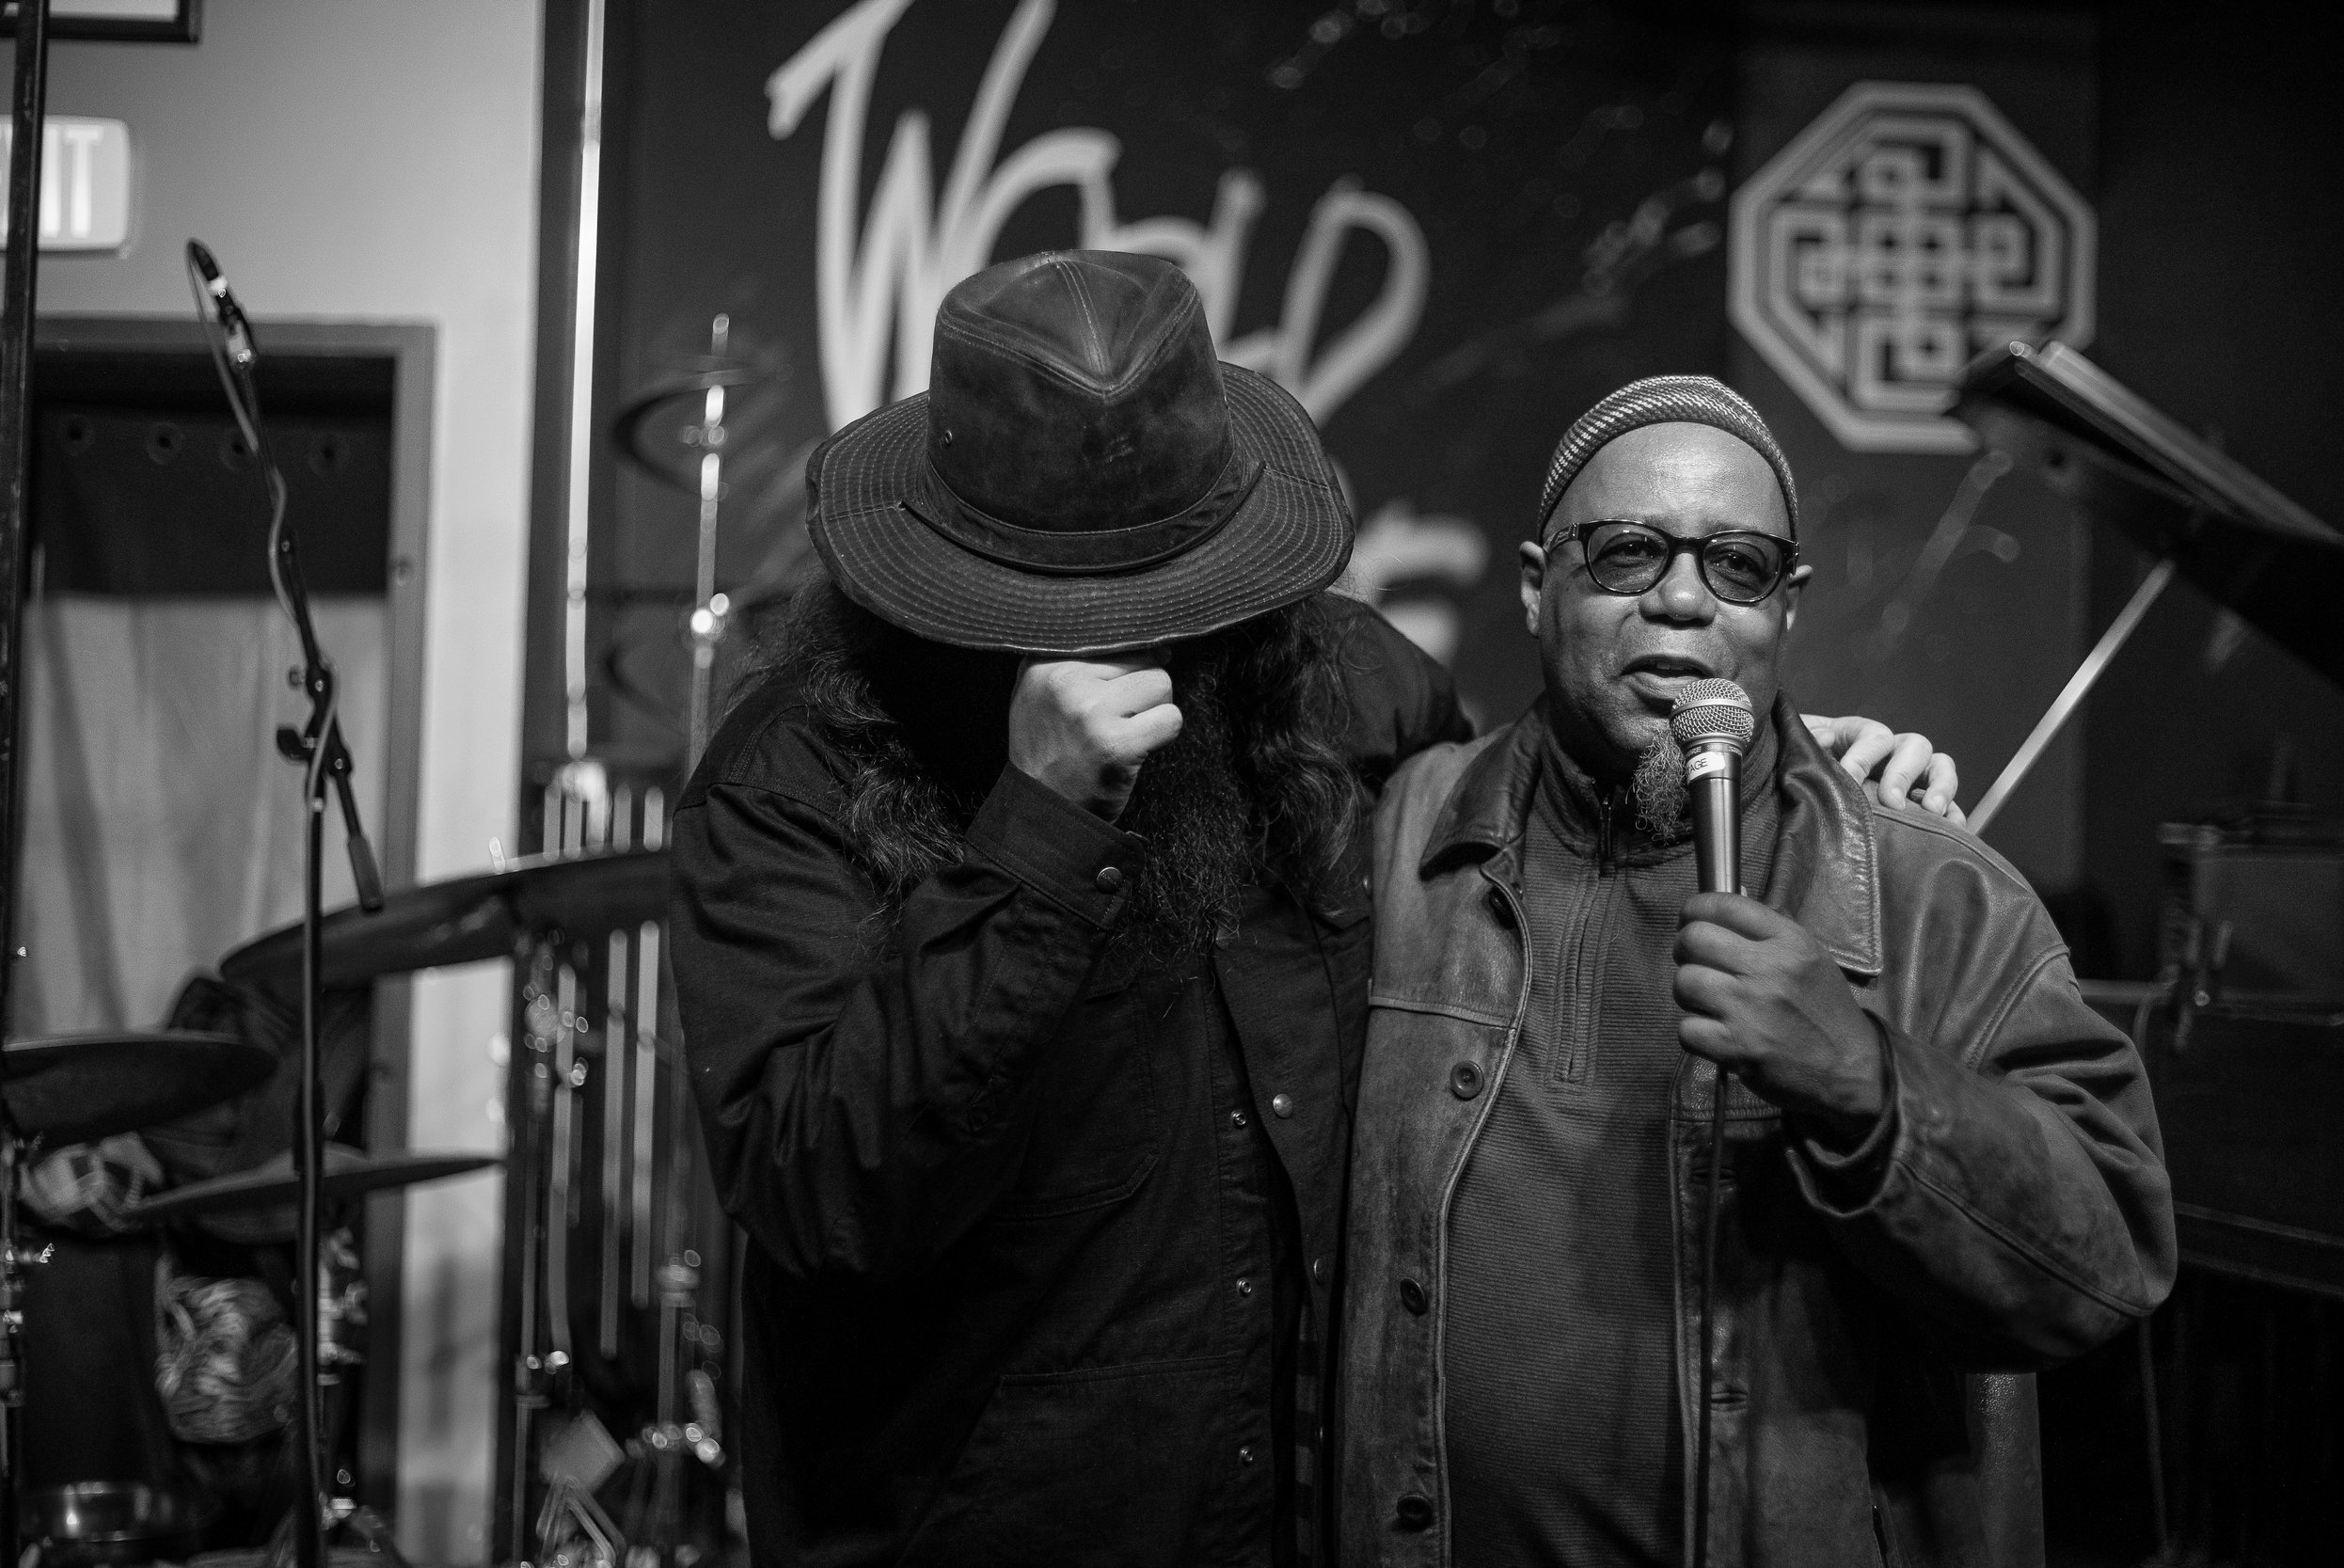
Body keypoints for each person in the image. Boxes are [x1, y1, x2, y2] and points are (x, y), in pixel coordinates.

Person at [669, 260, 1955, 1567]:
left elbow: (1551, 842)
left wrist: (1780, 769)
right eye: (1065, 593)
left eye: (1165, 583)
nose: (1126, 625)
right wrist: (1035, 831)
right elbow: (818, 1196)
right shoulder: (800, 773)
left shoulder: (1347, 687)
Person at [1336, 376, 2177, 1568]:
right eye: (1627, 551)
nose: (1683, 598)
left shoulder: (1924, 887)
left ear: (1784, 606)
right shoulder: (1404, 837)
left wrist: (1868, 1086)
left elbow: (2108, 1258)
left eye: (1736, 565)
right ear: (1534, 585)